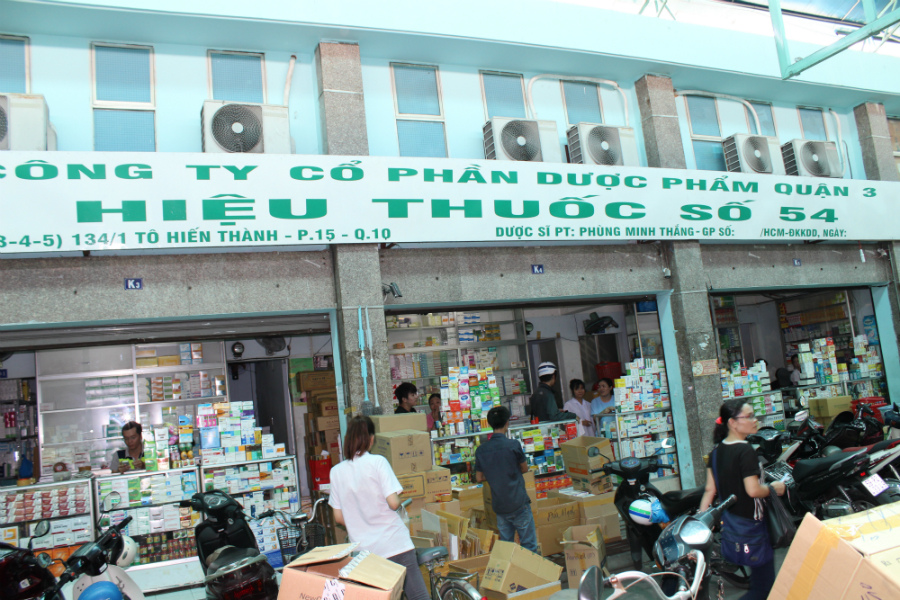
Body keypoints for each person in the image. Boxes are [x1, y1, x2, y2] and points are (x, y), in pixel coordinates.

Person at [328, 416, 429, 600]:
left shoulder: (336, 472)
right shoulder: (378, 462)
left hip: (364, 554)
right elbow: (393, 503)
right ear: (371, 439)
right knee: (418, 596)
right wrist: (400, 501)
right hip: (395, 546)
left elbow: (339, 518)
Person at [700, 399, 786, 600]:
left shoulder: (716, 452)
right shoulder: (745, 450)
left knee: (760, 585)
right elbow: (753, 490)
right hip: (752, 526)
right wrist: (774, 488)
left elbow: (709, 490)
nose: (755, 420)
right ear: (732, 423)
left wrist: (701, 521)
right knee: (763, 589)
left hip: (732, 526)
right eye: (749, 416)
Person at [475, 406, 538, 553]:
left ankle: (509, 568)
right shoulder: (513, 445)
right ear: (507, 423)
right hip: (518, 502)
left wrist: (494, 474)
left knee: (506, 549)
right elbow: (524, 469)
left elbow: (479, 477)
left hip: (500, 506)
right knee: (529, 546)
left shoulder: (481, 450)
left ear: (490, 424)